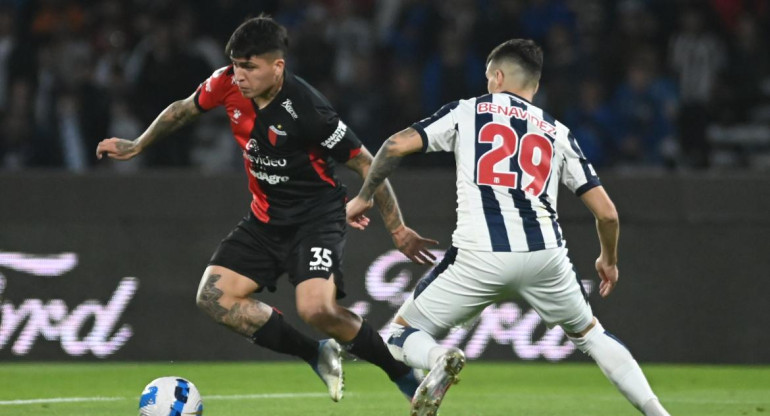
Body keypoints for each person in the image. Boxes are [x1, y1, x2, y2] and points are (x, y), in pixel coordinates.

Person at [96, 15, 437, 402]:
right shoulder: (226, 82)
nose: (239, 76)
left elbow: (367, 161)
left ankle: (403, 375)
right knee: (213, 298)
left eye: (249, 67)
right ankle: (315, 353)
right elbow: (184, 109)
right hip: (265, 218)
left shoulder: (308, 108)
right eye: (237, 65)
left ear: (277, 67)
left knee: (316, 310)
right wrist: (137, 144)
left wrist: (397, 229)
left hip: (316, 218)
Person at [346, 39, 671, 416]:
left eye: (488, 78)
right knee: (591, 336)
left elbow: (394, 145)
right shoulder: (557, 132)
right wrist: (608, 259)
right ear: (533, 84)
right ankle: (658, 413)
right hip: (546, 257)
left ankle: (439, 357)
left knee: (397, 335)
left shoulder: (468, 112)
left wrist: (366, 195)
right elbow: (608, 214)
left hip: (480, 255)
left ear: (497, 77)